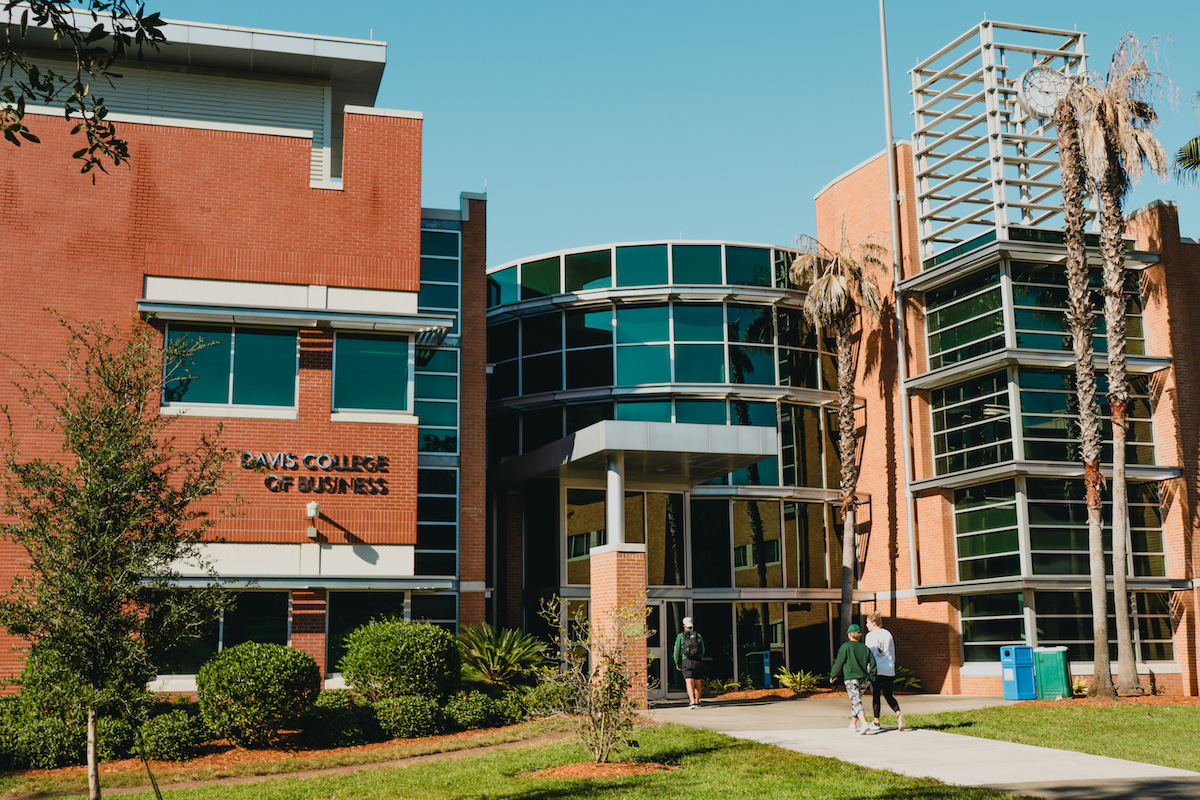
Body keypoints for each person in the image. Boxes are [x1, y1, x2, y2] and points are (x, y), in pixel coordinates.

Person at [829, 623, 876, 734]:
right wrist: (870, 678)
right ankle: (853, 725)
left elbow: (839, 663)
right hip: (863, 680)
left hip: (851, 679)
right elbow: (873, 663)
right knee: (856, 700)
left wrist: (833, 675)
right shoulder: (865, 648)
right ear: (859, 635)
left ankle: (864, 723)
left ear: (849, 635)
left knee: (856, 702)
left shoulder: (845, 647)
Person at [865, 611, 905, 731]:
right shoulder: (888, 634)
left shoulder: (870, 636)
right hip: (888, 669)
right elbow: (892, 652)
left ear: (874, 622)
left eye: (867, 623)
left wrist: (867, 671)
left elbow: (868, 654)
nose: (866, 625)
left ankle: (876, 722)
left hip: (876, 670)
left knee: (876, 696)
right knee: (888, 695)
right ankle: (898, 713)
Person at [673, 616, 705, 708]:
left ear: (684, 626)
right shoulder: (698, 636)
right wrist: (700, 659)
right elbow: (702, 650)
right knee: (698, 682)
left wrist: (677, 662)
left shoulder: (680, 636)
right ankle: (697, 701)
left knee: (689, 682)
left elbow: (677, 651)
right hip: (697, 661)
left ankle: (692, 701)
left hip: (686, 661)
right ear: (692, 625)